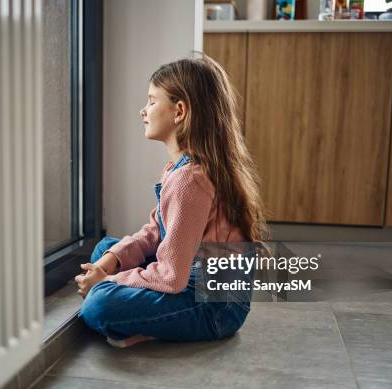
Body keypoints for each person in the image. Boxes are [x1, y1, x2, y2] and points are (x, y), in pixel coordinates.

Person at [74, 55, 268, 348]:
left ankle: (147, 327)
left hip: (214, 307)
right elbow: (154, 231)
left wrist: (108, 281)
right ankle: (142, 316)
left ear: (179, 111)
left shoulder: (190, 179)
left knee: (98, 305)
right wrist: (110, 262)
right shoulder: (179, 169)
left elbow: (173, 278)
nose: (143, 110)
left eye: (152, 101)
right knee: (105, 248)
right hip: (188, 275)